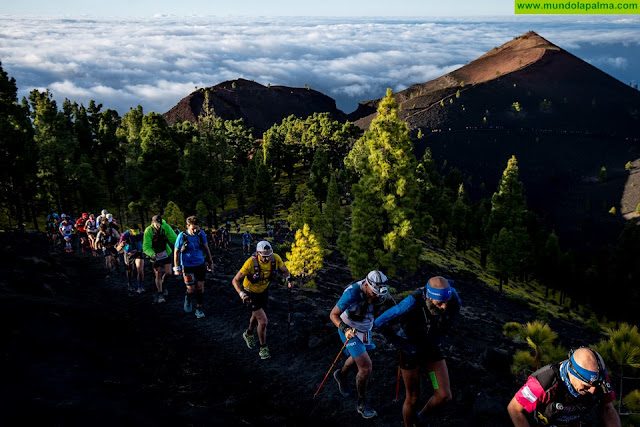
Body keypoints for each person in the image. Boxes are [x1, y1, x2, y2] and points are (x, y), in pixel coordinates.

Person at [374, 276, 461, 426]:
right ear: (428, 296)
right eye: (440, 303)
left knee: (443, 395)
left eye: (447, 301)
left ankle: (420, 418)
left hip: (431, 348)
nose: (445, 306)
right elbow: (380, 321)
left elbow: (452, 313)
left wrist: (442, 333)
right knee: (413, 397)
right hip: (410, 351)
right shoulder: (410, 303)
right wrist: (398, 342)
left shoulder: (452, 297)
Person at [330, 270, 394, 419]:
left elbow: (392, 303)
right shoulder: (351, 293)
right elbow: (333, 314)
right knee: (365, 367)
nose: (378, 296)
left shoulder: (382, 292)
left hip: (366, 329)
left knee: (357, 356)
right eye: (374, 292)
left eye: (380, 293)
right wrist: (345, 329)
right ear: (366, 285)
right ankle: (361, 402)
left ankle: (340, 375)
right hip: (348, 328)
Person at [507, 347, 620, 427]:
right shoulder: (543, 383)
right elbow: (514, 408)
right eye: (586, 386)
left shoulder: (598, 379)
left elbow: (607, 408)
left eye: (596, 385)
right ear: (572, 374)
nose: (592, 390)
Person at [232, 240, 293, 360]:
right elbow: (235, 280)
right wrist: (242, 294)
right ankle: (263, 348)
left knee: (256, 317)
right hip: (249, 294)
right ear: (257, 253)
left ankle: (248, 333)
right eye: (264, 257)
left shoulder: (275, 258)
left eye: (269, 256)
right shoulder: (250, 262)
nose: (267, 259)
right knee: (263, 321)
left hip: (263, 292)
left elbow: (285, 271)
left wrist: (289, 280)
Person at [173, 216, 214, 319]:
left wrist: (210, 262)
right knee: (191, 288)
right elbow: (176, 252)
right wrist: (176, 267)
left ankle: (199, 309)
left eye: (197, 228)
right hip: (187, 266)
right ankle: (188, 297)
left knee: (200, 287)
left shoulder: (201, 234)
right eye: (193, 228)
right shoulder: (182, 236)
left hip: (200, 264)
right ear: (187, 226)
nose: (195, 230)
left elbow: (206, 247)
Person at [142, 215, 177, 304]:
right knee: (158, 273)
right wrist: (151, 254)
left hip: (165, 252)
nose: (159, 226)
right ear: (153, 223)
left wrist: (179, 245)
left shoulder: (166, 227)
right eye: (157, 224)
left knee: (168, 272)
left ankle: (163, 283)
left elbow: (174, 238)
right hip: (154, 254)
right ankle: (160, 293)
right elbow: (146, 246)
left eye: (160, 224)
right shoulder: (148, 231)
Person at [117, 224, 145, 295]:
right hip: (129, 254)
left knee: (140, 270)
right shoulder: (125, 235)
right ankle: (130, 283)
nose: (135, 235)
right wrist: (122, 245)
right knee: (130, 270)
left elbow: (147, 243)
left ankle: (140, 287)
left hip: (138, 252)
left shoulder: (141, 234)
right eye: (134, 233)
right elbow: (118, 248)